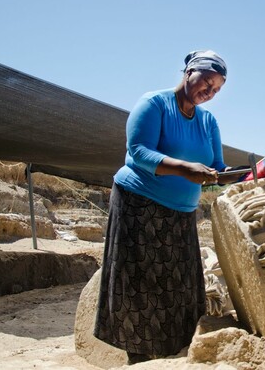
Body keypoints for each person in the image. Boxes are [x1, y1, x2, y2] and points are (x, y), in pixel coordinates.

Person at [94, 50, 237, 364]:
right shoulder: (155, 104)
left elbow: (216, 170)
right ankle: (140, 360)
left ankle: (171, 355)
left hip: (181, 213)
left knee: (180, 289)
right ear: (189, 73)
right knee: (140, 288)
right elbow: (137, 153)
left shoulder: (208, 121)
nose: (210, 92)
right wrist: (184, 168)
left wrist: (241, 177)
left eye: (217, 89)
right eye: (207, 82)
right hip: (138, 205)